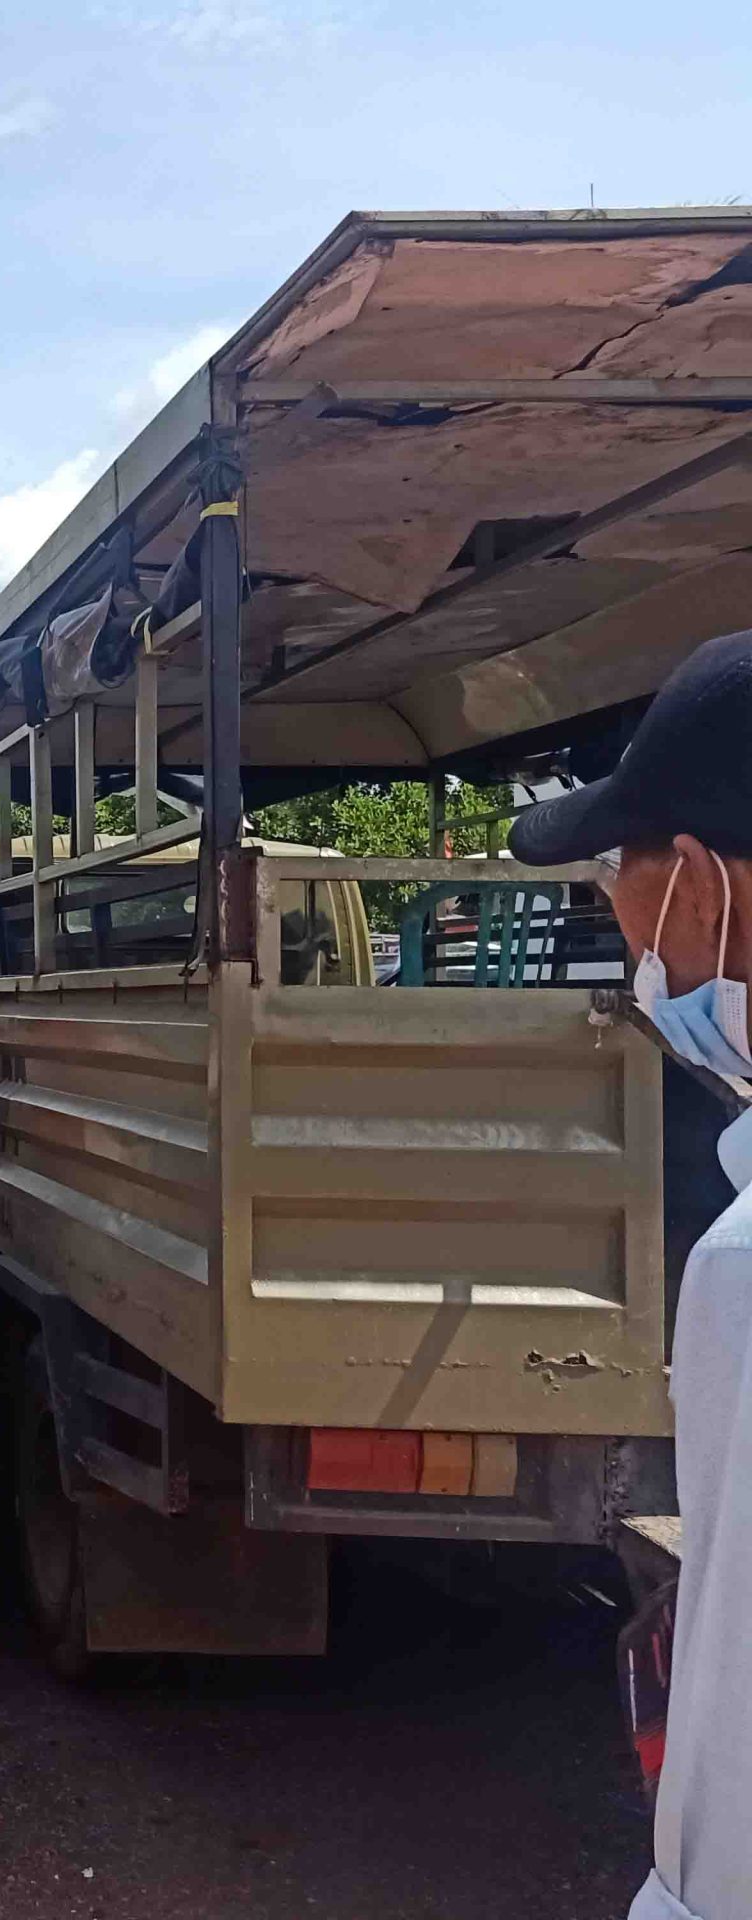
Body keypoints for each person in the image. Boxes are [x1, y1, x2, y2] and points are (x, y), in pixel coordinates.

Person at [506, 628, 752, 1920]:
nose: (617, 915)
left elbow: (734, 1786)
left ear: (702, 890)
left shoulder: (747, 1268)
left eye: (618, 869)